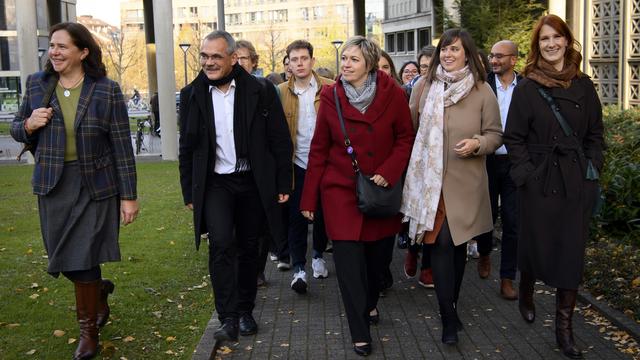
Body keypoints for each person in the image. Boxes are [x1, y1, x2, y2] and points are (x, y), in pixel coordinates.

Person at [10, 22, 139, 360]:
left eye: (62, 46)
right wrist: (28, 124)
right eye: (52, 45)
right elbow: (16, 128)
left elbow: (122, 146)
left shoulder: (105, 89)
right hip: (53, 185)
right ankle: (99, 292)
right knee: (64, 259)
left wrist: (129, 196)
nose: (54, 52)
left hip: (96, 185)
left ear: (82, 52)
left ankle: (88, 331)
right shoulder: (37, 85)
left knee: (82, 258)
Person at [300, 36, 414, 356]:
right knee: (349, 265)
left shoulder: (393, 94)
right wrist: (309, 199)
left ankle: (371, 302)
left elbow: (405, 137)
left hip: (380, 191)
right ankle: (359, 330)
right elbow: (319, 149)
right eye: (344, 58)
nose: (346, 64)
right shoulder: (331, 95)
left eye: (353, 59)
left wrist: (389, 171)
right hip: (340, 191)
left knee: (377, 263)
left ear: (369, 64)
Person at [177, 30, 293, 343]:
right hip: (215, 184)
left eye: (216, 56)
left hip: (252, 181)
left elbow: (279, 139)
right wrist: (190, 191)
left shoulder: (260, 90)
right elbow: (186, 147)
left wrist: (283, 180)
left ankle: (245, 310)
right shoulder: (191, 94)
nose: (209, 62)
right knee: (221, 245)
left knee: (249, 246)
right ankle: (227, 317)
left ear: (232, 58)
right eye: (204, 56)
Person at [504, 15, 604, 359]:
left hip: (575, 180)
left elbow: (595, 135)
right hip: (540, 180)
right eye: (544, 39)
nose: (550, 44)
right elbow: (513, 137)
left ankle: (564, 328)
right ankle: (527, 288)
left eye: (556, 37)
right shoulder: (527, 87)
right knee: (536, 243)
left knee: (571, 254)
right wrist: (527, 175)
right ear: (538, 45)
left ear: (566, 40)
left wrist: (592, 168)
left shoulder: (583, 85)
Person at [401, 28, 502, 345]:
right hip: (431, 184)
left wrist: (478, 143)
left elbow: (496, 135)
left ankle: (452, 306)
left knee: (456, 247)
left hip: (466, 183)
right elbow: (412, 127)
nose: (447, 54)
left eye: (454, 49)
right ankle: (447, 317)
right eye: (444, 49)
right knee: (441, 244)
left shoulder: (482, 90)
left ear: (467, 53)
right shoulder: (425, 86)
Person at [278, 40, 335, 293]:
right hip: (296, 163)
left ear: (312, 61)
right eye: (294, 59)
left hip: (326, 162)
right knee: (296, 216)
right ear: (288, 64)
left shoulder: (331, 89)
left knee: (324, 213)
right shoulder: (280, 92)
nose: (299, 63)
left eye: (304, 58)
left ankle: (318, 255)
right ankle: (299, 269)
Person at [473, 40, 522, 300]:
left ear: (513, 59)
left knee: (513, 223)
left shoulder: (526, 88)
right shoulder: (481, 85)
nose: (493, 60)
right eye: (492, 55)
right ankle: (483, 252)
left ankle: (507, 278)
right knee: (487, 217)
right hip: (487, 161)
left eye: (500, 56)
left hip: (515, 163)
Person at [403, 44, 437, 289]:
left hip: (443, 161)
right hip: (419, 159)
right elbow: (411, 121)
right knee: (418, 210)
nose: (426, 71)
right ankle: (413, 250)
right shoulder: (419, 86)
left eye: (430, 66)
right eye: (423, 66)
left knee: (436, 215)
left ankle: (429, 265)